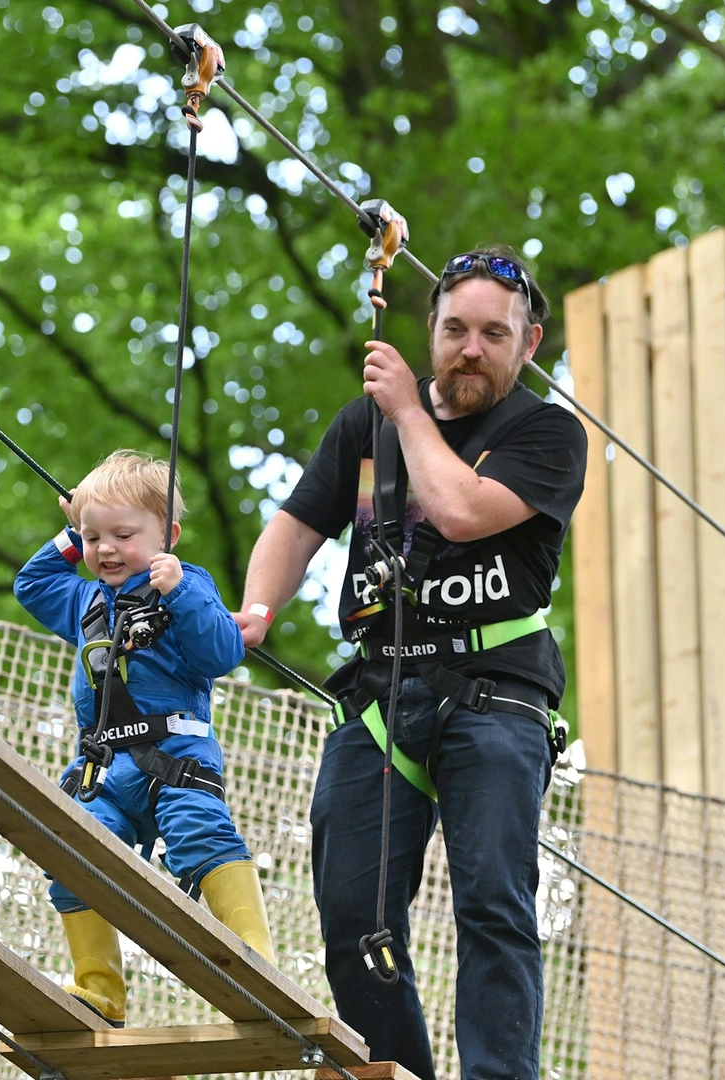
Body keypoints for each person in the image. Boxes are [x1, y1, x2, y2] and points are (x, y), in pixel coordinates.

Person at [234, 247, 586, 1079]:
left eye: (492, 335)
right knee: (353, 910)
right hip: (382, 693)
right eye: (454, 329)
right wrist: (255, 610)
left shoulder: (545, 433)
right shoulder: (363, 428)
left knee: (494, 902)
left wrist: (406, 413)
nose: (470, 349)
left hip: (495, 694)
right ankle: (393, 1072)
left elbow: (462, 512)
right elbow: (297, 525)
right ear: (430, 330)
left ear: (527, 343)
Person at [14, 449, 275, 1026]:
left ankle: (255, 956)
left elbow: (222, 653)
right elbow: (31, 583)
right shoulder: (82, 600)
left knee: (197, 833)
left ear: (168, 535)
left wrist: (179, 592)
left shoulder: (187, 586)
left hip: (175, 754)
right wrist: (68, 529)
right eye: (93, 537)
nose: (105, 549)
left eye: (123, 535)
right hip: (104, 768)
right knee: (75, 854)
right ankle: (100, 990)